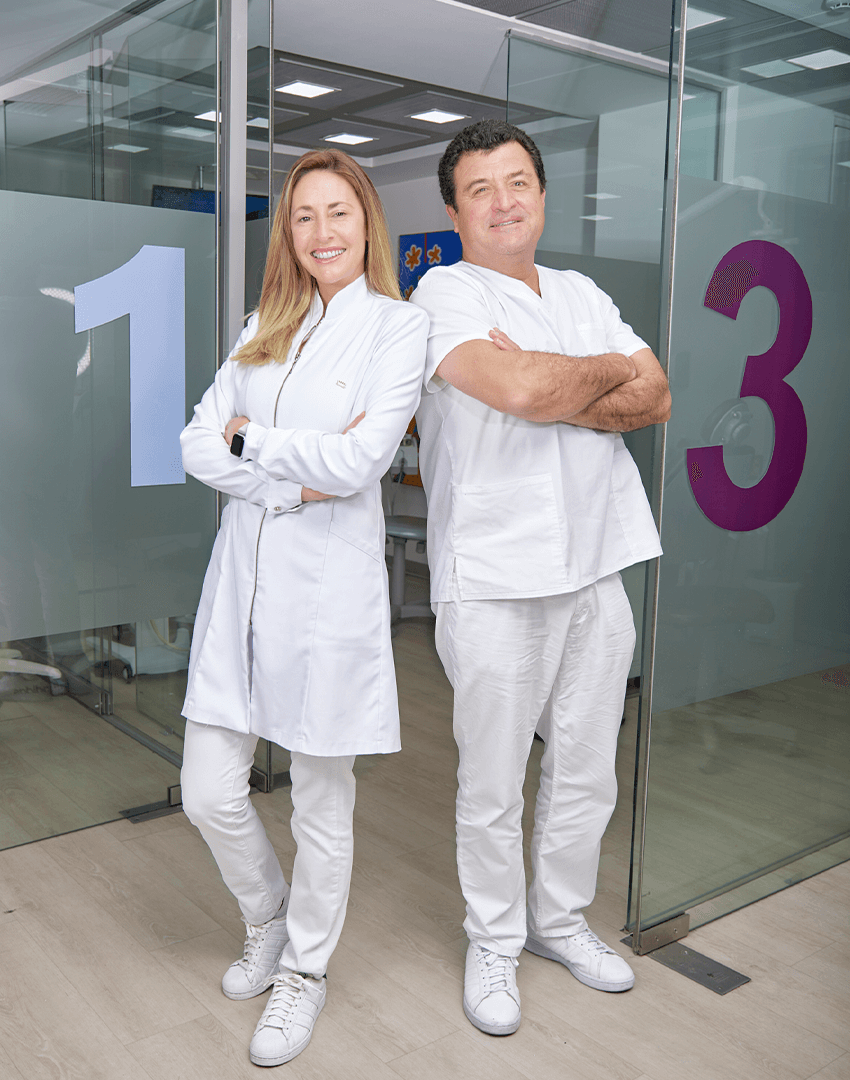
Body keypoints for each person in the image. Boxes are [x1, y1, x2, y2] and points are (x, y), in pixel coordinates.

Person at [410, 119, 671, 1036]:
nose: (503, 201)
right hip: (494, 574)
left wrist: (556, 383)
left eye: (517, 181)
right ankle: (495, 937)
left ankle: (560, 921)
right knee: (492, 781)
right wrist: (597, 378)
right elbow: (521, 391)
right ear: (455, 213)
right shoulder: (441, 293)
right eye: (479, 189)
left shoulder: (581, 292)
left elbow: (656, 395)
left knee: (587, 768)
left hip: (597, 565)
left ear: (543, 196)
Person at [179, 148, 428, 1067]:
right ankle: (268, 916)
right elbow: (196, 442)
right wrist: (286, 475)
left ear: (367, 223)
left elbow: (361, 462)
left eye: (338, 212)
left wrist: (253, 442)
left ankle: (305, 971)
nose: (322, 232)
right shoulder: (262, 326)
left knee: (322, 799)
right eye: (303, 215)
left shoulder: (397, 329)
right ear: (287, 232)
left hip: (328, 595)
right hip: (241, 583)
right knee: (208, 791)